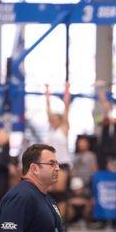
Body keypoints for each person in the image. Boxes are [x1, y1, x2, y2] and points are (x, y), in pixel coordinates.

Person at [45, 82, 71, 216]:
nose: (53, 120)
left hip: (62, 163)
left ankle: (62, 223)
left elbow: (66, 108)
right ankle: (52, 221)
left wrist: (67, 91)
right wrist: (47, 94)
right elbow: (48, 110)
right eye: (52, 119)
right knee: (50, 192)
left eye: (56, 119)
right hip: (50, 164)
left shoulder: (63, 129)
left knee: (60, 192)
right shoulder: (50, 131)